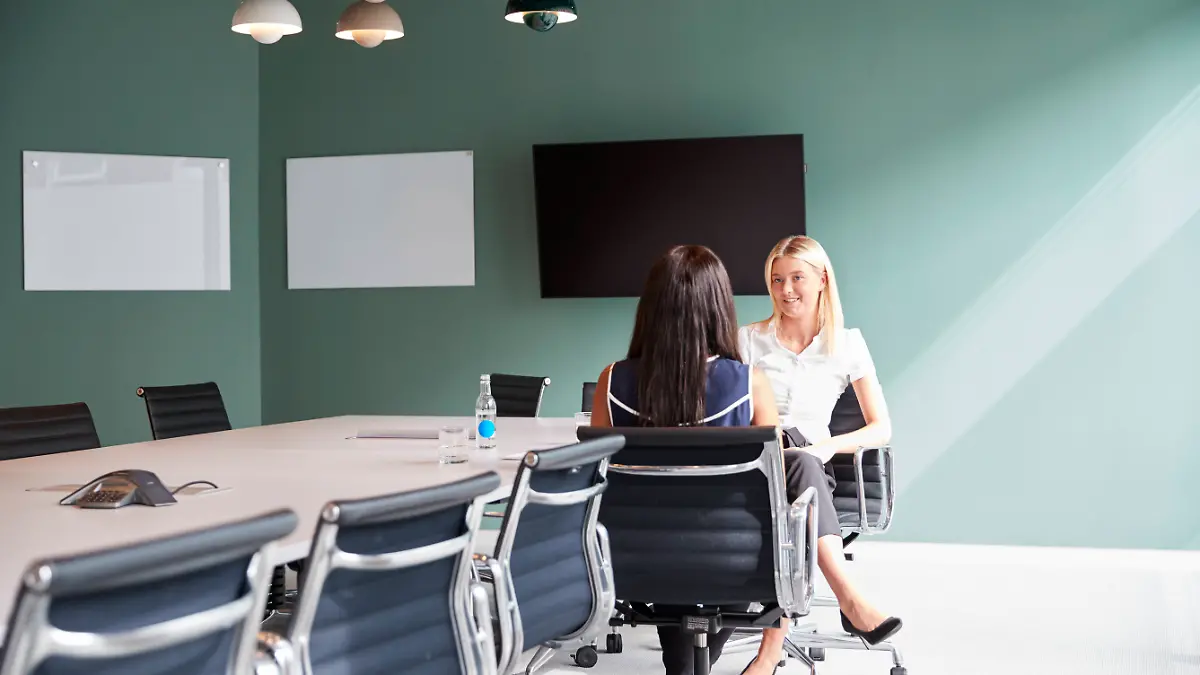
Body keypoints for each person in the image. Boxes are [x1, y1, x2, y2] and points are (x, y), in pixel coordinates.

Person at [588, 244, 781, 675]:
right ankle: (699, 654)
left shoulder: (612, 381)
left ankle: (683, 655)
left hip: (636, 559)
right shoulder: (750, 383)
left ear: (651, 309)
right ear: (718, 307)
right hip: (735, 559)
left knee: (666, 540)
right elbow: (774, 487)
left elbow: (593, 475)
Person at [735, 234, 902, 674]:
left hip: (809, 466)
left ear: (822, 279)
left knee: (802, 474)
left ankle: (769, 653)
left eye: (797, 278)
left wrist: (826, 445)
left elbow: (881, 426)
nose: (786, 290)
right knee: (793, 481)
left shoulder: (847, 344)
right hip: (752, 466)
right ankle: (851, 600)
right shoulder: (747, 341)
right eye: (776, 280)